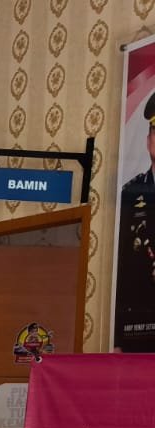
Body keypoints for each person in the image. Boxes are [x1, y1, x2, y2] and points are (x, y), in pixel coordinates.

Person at [115, 91, 155, 353]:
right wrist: (117, 338)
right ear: (148, 140)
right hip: (139, 333)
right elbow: (121, 270)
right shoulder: (130, 194)